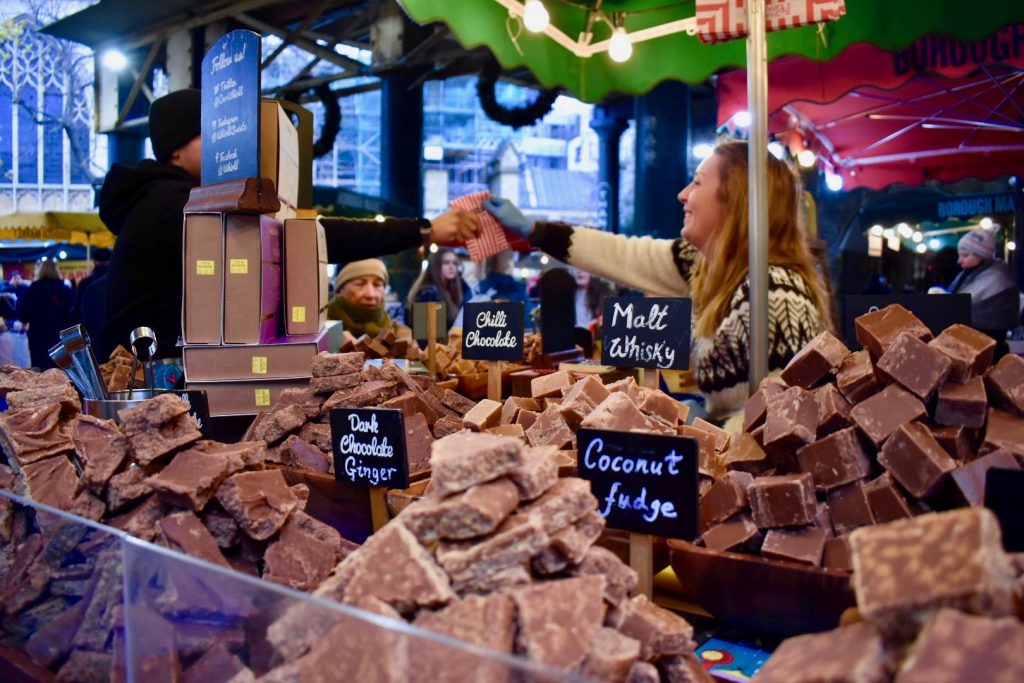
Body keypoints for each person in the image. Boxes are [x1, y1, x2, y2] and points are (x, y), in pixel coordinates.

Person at [98, 91, 481, 361]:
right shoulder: (176, 205)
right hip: (142, 381)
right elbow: (305, 237)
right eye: (210, 134)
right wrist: (423, 230)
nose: (226, 145)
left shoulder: (168, 199)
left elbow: (301, 234)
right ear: (175, 148)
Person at [485, 140, 831, 429]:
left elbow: (783, 417)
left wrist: (706, 432)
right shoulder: (705, 266)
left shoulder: (776, 290)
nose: (683, 194)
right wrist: (536, 231)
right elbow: (623, 255)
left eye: (697, 182)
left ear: (736, 197)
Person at [946, 228, 1019, 359]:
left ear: (982, 255)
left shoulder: (999, 279)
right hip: (968, 348)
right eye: (959, 255)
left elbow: (990, 319)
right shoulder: (969, 274)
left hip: (989, 352)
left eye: (965, 255)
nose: (959, 260)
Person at [15, 260, 73, 369]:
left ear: (40, 270)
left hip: (37, 337)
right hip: (59, 337)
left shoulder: (32, 290)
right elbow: (71, 313)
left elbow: (23, 315)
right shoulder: (64, 289)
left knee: (40, 369)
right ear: (56, 270)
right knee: (61, 369)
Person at [326, 259, 405, 338]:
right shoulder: (319, 330)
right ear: (340, 290)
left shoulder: (401, 334)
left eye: (377, 285)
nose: (371, 294)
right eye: (359, 284)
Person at [406, 248, 470, 331]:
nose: (451, 267)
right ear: (436, 266)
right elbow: (423, 336)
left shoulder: (456, 288)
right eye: (446, 263)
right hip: (432, 343)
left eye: (454, 263)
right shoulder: (428, 294)